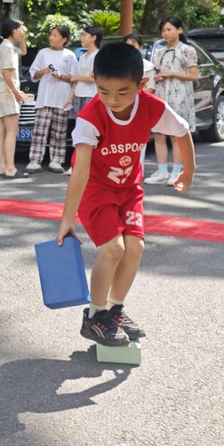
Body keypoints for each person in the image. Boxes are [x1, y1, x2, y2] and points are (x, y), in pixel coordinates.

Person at [57, 42, 194, 346]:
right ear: (95, 80)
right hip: (97, 190)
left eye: (122, 92)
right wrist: (67, 219)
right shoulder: (91, 117)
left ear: (141, 85)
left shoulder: (151, 105)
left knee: (136, 247)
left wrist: (188, 171)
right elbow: (79, 171)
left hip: (129, 189)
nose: (112, 100)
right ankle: (94, 317)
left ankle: (114, 309)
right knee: (114, 249)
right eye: (104, 91)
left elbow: (182, 132)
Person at [144, 17, 198, 186]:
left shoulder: (187, 50)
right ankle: (162, 171)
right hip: (162, 95)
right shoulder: (159, 52)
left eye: (169, 29)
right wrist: (159, 77)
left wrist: (171, 74)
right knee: (159, 134)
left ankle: (176, 172)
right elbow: (156, 73)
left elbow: (193, 75)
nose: (165, 33)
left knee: (176, 135)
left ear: (179, 30)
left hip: (180, 95)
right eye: (163, 30)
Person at [26, 25, 78, 174]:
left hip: (62, 99)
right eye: (51, 35)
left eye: (55, 35)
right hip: (44, 98)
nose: (51, 38)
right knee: (39, 131)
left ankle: (56, 160)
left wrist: (60, 76)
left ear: (64, 39)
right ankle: (35, 160)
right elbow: (33, 75)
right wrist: (43, 71)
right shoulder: (43, 53)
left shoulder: (70, 55)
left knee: (59, 132)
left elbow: (75, 78)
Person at [0, 18, 28, 178]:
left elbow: (24, 52)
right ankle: (10, 168)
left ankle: (1, 167)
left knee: (3, 131)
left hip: (1, 92)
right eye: (21, 28)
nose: (23, 31)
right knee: (12, 131)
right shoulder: (7, 47)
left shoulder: (8, 46)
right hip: (7, 92)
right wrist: (16, 92)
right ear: (13, 30)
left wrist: (24, 37)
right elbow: (7, 72)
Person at [65, 26, 103, 118]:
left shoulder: (99, 56)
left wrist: (77, 77)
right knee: (79, 124)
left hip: (91, 95)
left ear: (93, 38)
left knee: (89, 123)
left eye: (84, 35)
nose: (82, 38)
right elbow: (76, 79)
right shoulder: (82, 57)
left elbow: (94, 78)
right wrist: (70, 98)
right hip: (78, 95)